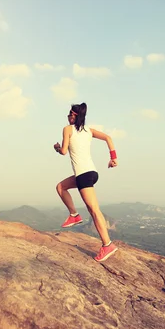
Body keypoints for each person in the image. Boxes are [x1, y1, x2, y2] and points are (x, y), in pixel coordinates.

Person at [53, 102, 119, 262]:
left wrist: (57, 147)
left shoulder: (67, 129)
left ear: (74, 115)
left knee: (94, 210)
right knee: (61, 187)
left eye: (69, 113)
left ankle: (107, 245)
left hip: (83, 175)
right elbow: (108, 138)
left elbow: (63, 151)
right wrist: (113, 158)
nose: (67, 116)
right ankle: (74, 214)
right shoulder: (89, 130)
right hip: (91, 173)